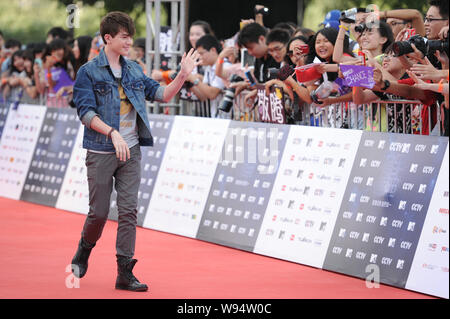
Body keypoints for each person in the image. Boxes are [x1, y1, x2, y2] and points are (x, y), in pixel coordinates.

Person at [71, 11, 200, 292]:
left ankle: (124, 272)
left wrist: (182, 75)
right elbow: (85, 112)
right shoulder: (89, 71)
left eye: (130, 36)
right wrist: (112, 132)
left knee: (129, 211)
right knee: (99, 212)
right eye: (124, 36)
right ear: (108, 38)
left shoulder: (133, 69)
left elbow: (163, 95)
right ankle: (85, 247)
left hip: (131, 150)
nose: (129, 41)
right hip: (101, 150)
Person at [186, 34, 231, 118]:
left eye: (201, 53)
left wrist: (194, 79)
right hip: (216, 117)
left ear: (213, 50)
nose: (200, 57)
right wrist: (188, 82)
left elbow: (212, 94)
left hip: (228, 119)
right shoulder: (209, 68)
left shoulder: (225, 66)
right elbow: (204, 96)